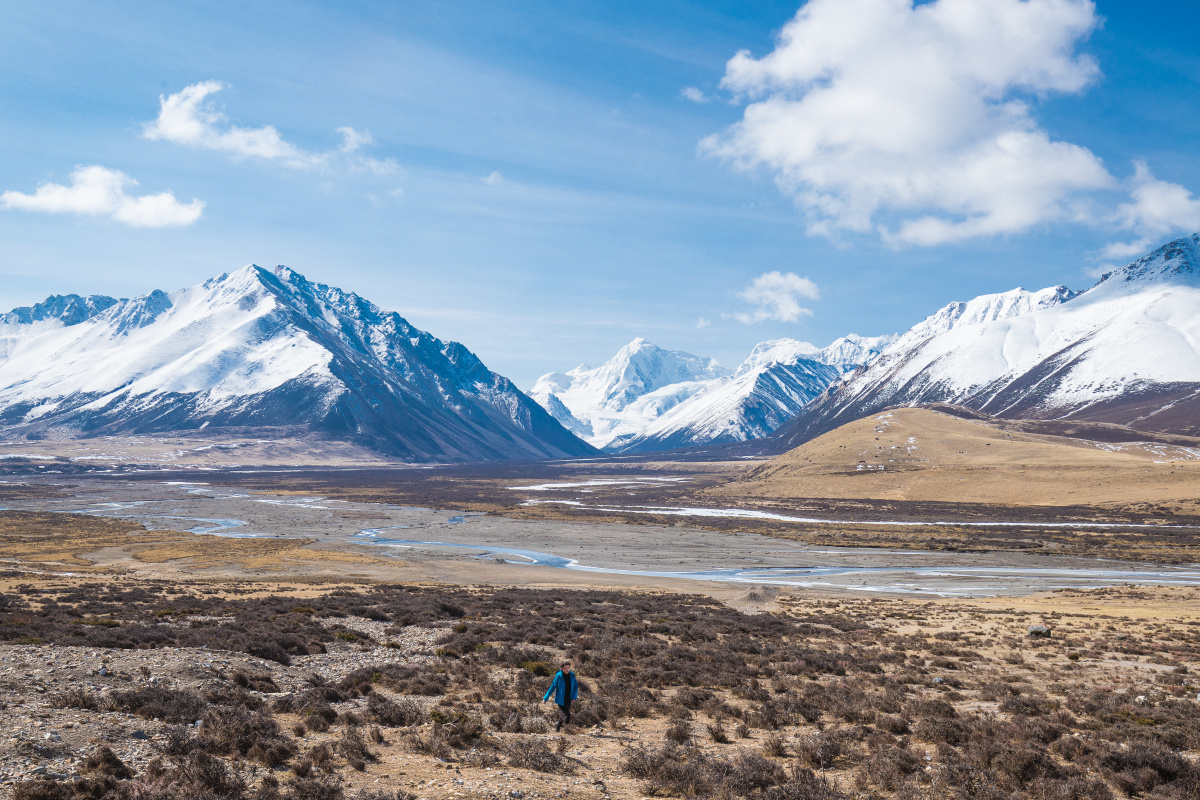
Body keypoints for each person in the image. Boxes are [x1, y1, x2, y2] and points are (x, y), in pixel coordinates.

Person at [542, 660, 578, 732]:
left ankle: (558, 724)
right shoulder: (558, 677)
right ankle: (567, 729)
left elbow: (575, 687)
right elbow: (552, 687)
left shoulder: (572, 676)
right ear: (562, 669)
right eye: (565, 668)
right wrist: (546, 698)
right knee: (567, 714)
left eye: (568, 668)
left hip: (569, 698)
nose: (567, 669)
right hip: (561, 699)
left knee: (563, 714)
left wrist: (574, 697)